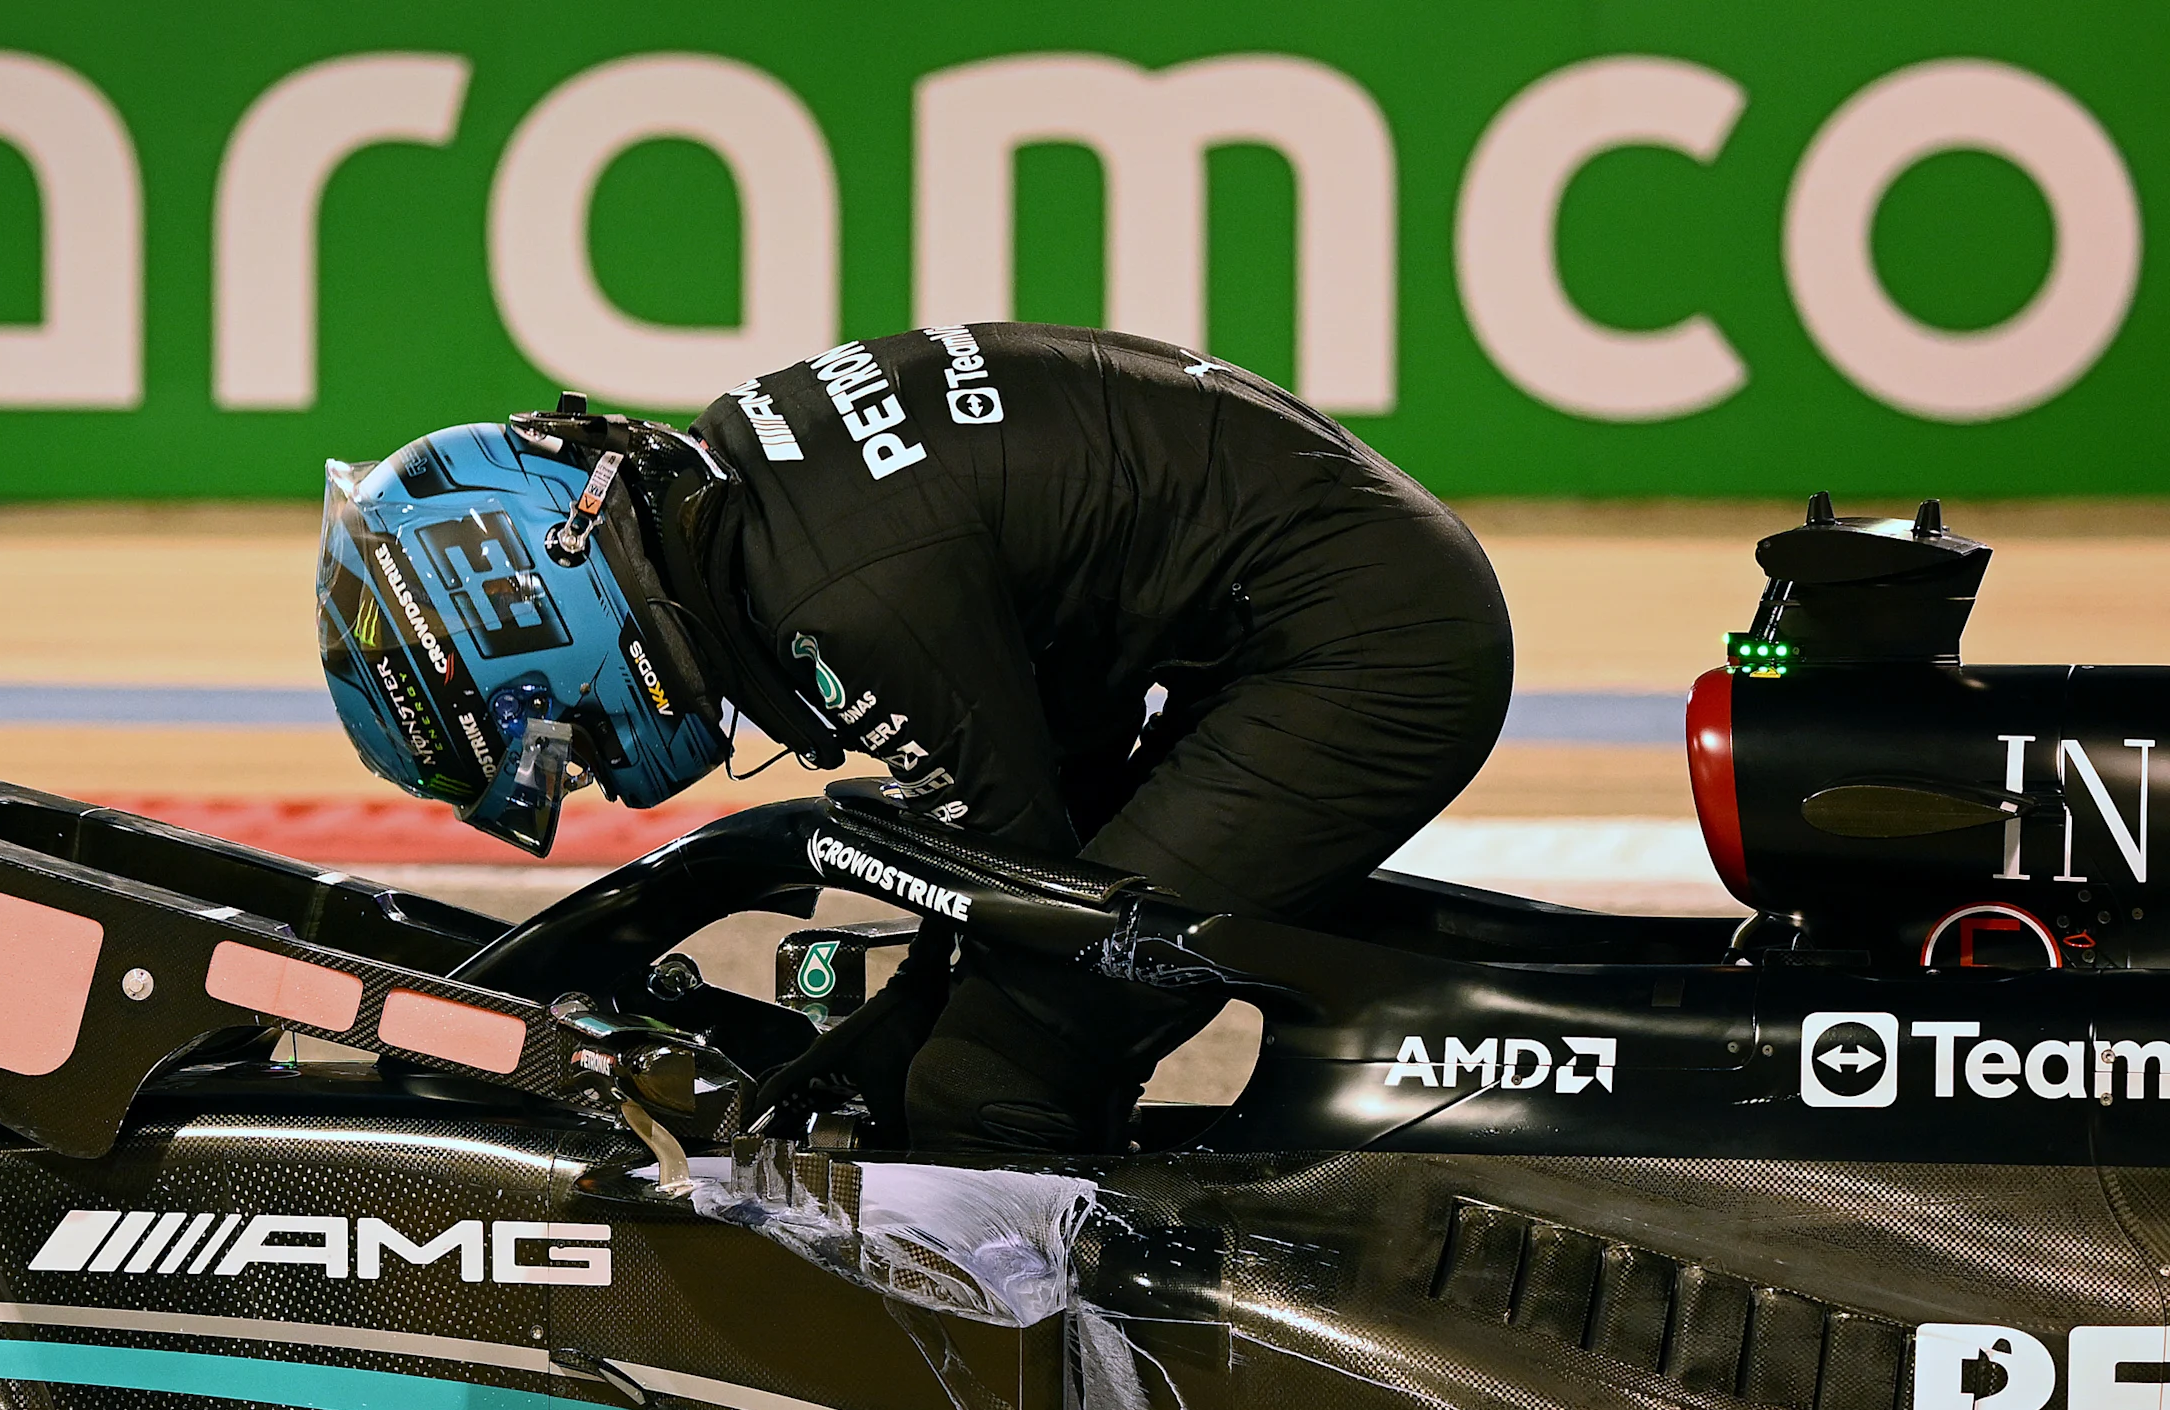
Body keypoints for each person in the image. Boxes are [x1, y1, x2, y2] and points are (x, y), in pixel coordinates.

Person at [314, 322, 1513, 1154]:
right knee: (929, 1039)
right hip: (1301, 600)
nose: (580, 773)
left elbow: (1021, 872)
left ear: (551, 628)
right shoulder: (750, 496)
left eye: (545, 750)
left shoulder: (837, 601)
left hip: (1363, 650)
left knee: (989, 1082)